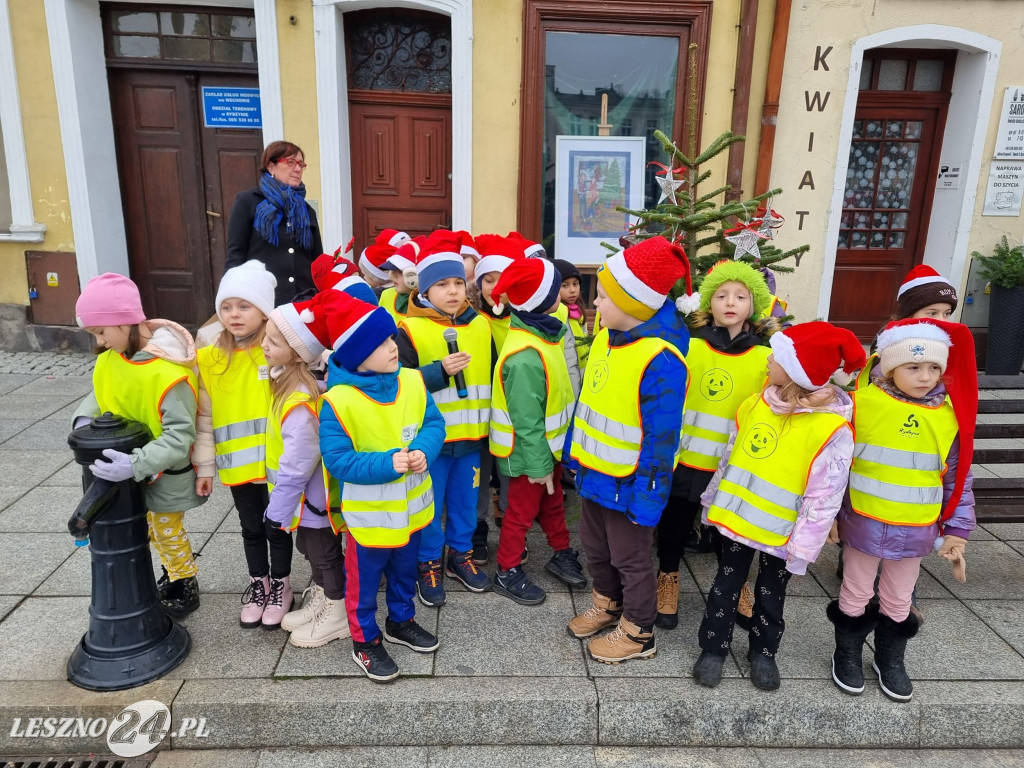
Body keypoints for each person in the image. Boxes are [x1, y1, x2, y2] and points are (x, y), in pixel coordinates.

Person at [693, 321, 864, 691]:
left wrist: (804, 547)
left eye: (779, 356)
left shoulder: (831, 430)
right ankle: (714, 648)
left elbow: (826, 495)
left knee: (771, 593)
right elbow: (731, 457)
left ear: (799, 371)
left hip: (783, 533)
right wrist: (712, 499)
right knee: (725, 584)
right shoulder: (755, 403)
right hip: (739, 520)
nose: (769, 359)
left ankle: (763, 652)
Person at [564, 236, 697, 664]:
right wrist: (572, 455)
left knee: (630, 558)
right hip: (595, 473)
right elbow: (589, 403)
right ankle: (608, 605)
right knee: (595, 547)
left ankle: (639, 632)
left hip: (631, 484)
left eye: (602, 296)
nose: (594, 304)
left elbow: (662, 440)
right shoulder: (606, 338)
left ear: (634, 303)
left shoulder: (661, 360)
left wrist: (648, 499)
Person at [828, 318, 976, 702]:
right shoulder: (862, 404)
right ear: (890, 367)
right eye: (913, 366)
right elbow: (834, 463)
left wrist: (957, 529)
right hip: (863, 519)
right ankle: (846, 652)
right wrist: (827, 517)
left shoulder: (948, 416)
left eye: (933, 367)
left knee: (899, 597)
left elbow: (957, 476)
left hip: (916, 528)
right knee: (856, 590)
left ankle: (890, 657)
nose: (925, 376)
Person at [319, 292, 446, 682]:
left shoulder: (411, 380)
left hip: (410, 511)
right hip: (369, 520)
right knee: (364, 583)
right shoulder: (337, 401)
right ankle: (366, 641)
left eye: (392, 339)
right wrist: (386, 464)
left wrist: (424, 449)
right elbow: (337, 460)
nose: (394, 347)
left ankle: (401, 621)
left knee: (405, 571)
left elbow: (434, 424)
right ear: (357, 355)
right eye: (382, 344)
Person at [73, 273, 206, 617]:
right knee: (145, 526)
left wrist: (135, 464)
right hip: (128, 469)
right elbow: (100, 394)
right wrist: (84, 419)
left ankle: (184, 582)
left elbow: (179, 437)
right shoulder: (110, 360)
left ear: (125, 320)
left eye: (101, 331)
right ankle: (169, 574)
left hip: (163, 471)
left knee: (166, 528)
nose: (100, 343)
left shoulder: (169, 374)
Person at [656, 260, 777, 630]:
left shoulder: (763, 356)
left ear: (753, 305)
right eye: (721, 295)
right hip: (687, 458)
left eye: (740, 296)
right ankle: (668, 580)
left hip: (733, 462)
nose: (730, 302)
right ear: (708, 303)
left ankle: (737, 583)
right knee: (674, 524)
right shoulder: (692, 347)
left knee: (729, 531)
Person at [195, 260, 295, 629]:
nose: (233, 315)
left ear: (264, 312)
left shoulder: (276, 353)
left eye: (244, 306)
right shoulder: (209, 358)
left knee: (277, 525)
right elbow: (205, 418)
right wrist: (205, 467)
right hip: (237, 467)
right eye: (226, 307)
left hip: (275, 464)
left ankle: (282, 586)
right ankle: (259, 584)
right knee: (251, 528)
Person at [397, 231, 495, 606]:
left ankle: (460, 555)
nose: (453, 291)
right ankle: (427, 562)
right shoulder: (409, 328)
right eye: (442, 284)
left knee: (466, 502)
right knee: (429, 505)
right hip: (430, 442)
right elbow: (397, 383)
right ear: (424, 291)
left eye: (457, 282)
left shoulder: (481, 325)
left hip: (471, 437)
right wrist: (437, 372)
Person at [487, 258, 586, 604]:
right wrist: (539, 465)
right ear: (544, 300)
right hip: (528, 454)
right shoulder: (525, 356)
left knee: (554, 502)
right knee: (520, 513)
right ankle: (507, 569)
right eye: (556, 288)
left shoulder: (544, 334)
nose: (564, 292)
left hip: (548, 449)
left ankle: (561, 550)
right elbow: (527, 421)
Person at [260, 291, 350, 648]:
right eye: (266, 337)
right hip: (303, 500)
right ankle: (324, 601)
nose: (264, 345)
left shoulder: (299, 401)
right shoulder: (286, 382)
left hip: (313, 501)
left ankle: (337, 611)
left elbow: (297, 465)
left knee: (323, 553)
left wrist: (277, 512)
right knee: (310, 550)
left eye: (274, 341)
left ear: (298, 354)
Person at [467, 233, 523, 560]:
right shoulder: (473, 320)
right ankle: (477, 529)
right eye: (488, 280)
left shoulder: (521, 320)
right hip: (479, 412)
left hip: (512, 411)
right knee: (478, 473)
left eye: (503, 279)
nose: (495, 287)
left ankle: (514, 533)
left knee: (509, 474)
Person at [226, 141, 324, 306]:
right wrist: (232, 298)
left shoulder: (307, 211)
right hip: (262, 300)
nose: (298, 169)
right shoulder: (248, 202)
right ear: (271, 166)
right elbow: (235, 254)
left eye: (301, 164)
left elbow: (317, 261)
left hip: (303, 301)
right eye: (291, 162)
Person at [552, 258, 591, 371]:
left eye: (575, 284)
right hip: (565, 372)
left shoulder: (578, 311)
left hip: (582, 370)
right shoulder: (555, 313)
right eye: (565, 286)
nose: (573, 290)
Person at [379, 236, 424, 322]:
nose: (393, 276)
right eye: (392, 271)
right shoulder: (386, 295)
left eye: (400, 272)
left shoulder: (431, 301)